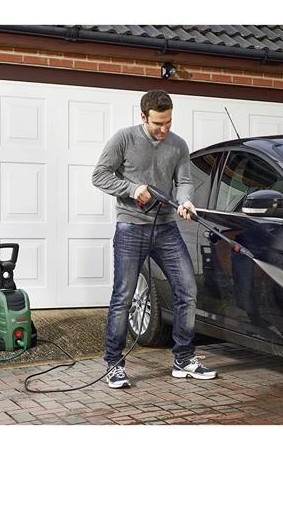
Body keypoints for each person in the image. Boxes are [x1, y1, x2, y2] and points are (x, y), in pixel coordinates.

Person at [91, 89, 217, 388]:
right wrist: (131, 189)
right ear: (143, 116)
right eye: (158, 123)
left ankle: (183, 359)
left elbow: (184, 181)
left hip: (166, 229)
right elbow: (99, 175)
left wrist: (185, 200)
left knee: (187, 289)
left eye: (168, 122)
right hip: (131, 227)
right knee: (123, 296)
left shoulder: (178, 145)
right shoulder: (124, 139)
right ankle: (114, 364)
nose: (164, 129)